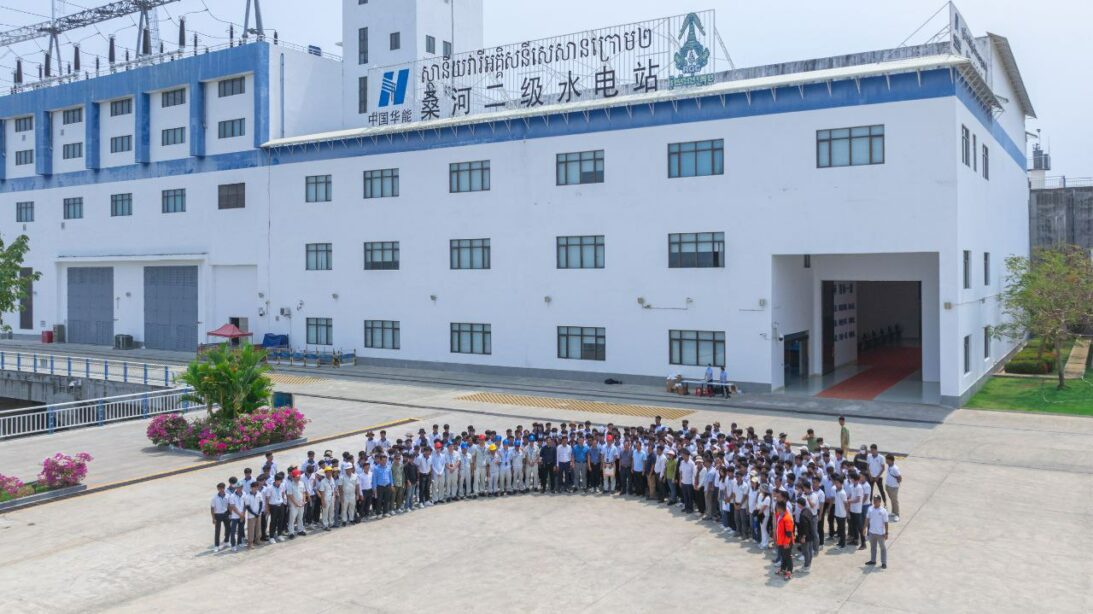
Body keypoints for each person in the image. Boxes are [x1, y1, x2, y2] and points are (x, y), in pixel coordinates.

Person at [865, 494, 890, 569]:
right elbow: (867, 519)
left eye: (876, 500)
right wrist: (864, 528)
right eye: (874, 500)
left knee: (882, 548)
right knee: (873, 547)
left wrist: (886, 533)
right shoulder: (870, 509)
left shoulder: (883, 511)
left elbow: (886, 522)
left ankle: (884, 562)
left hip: (880, 533)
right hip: (872, 532)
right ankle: (873, 560)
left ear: (880, 501)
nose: (874, 502)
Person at [775, 500, 795, 581]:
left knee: (787, 556)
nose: (776, 508)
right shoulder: (780, 515)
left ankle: (789, 571)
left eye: (777, 507)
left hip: (787, 542)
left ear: (780, 508)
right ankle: (783, 568)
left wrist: (786, 543)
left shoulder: (787, 518)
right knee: (783, 556)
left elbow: (789, 533)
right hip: (781, 541)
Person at [285, 470, 308, 538]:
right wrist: (295, 504)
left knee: (300, 517)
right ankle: (291, 532)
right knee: (292, 519)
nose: (298, 478)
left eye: (299, 477)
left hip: (301, 503)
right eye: (297, 477)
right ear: (293, 477)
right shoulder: (290, 485)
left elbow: (303, 492)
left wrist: (304, 500)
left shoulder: (301, 483)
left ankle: (300, 530)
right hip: (293, 504)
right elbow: (290, 495)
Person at [243, 481, 265, 549]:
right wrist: (254, 513)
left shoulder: (259, 494)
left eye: (256, 487)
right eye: (254, 487)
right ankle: (250, 543)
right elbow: (247, 507)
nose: (255, 488)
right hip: (251, 516)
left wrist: (258, 512)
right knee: (251, 529)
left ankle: (257, 540)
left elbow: (261, 503)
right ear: (251, 488)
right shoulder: (247, 496)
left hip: (258, 514)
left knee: (258, 528)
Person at [210, 482, 230, 552]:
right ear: (218, 489)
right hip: (217, 515)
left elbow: (229, 505)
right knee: (217, 530)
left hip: (225, 514)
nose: (221, 490)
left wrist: (230, 514)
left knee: (228, 528)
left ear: (224, 488)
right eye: (220, 488)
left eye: (222, 488)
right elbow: (212, 508)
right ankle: (216, 545)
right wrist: (213, 518)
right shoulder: (214, 498)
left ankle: (226, 541)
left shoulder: (227, 496)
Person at [226, 483, 245, 552]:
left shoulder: (244, 494)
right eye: (238, 487)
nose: (239, 488)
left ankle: (239, 542)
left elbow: (245, 505)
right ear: (236, 488)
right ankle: (233, 545)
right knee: (233, 531)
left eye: (241, 487)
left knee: (241, 529)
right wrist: (240, 514)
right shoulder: (232, 496)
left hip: (242, 515)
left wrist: (243, 514)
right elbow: (233, 507)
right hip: (234, 517)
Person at [884, 453, 902, 521]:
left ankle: (897, 515)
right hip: (888, 486)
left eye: (887, 460)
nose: (886, 461)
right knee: (892, 500)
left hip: (893, 487)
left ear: (891, 460)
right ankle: (893, 513)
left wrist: (896, 484)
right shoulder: (889, 466)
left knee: (895, 501)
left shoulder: (895, 468)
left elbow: (900, 478)